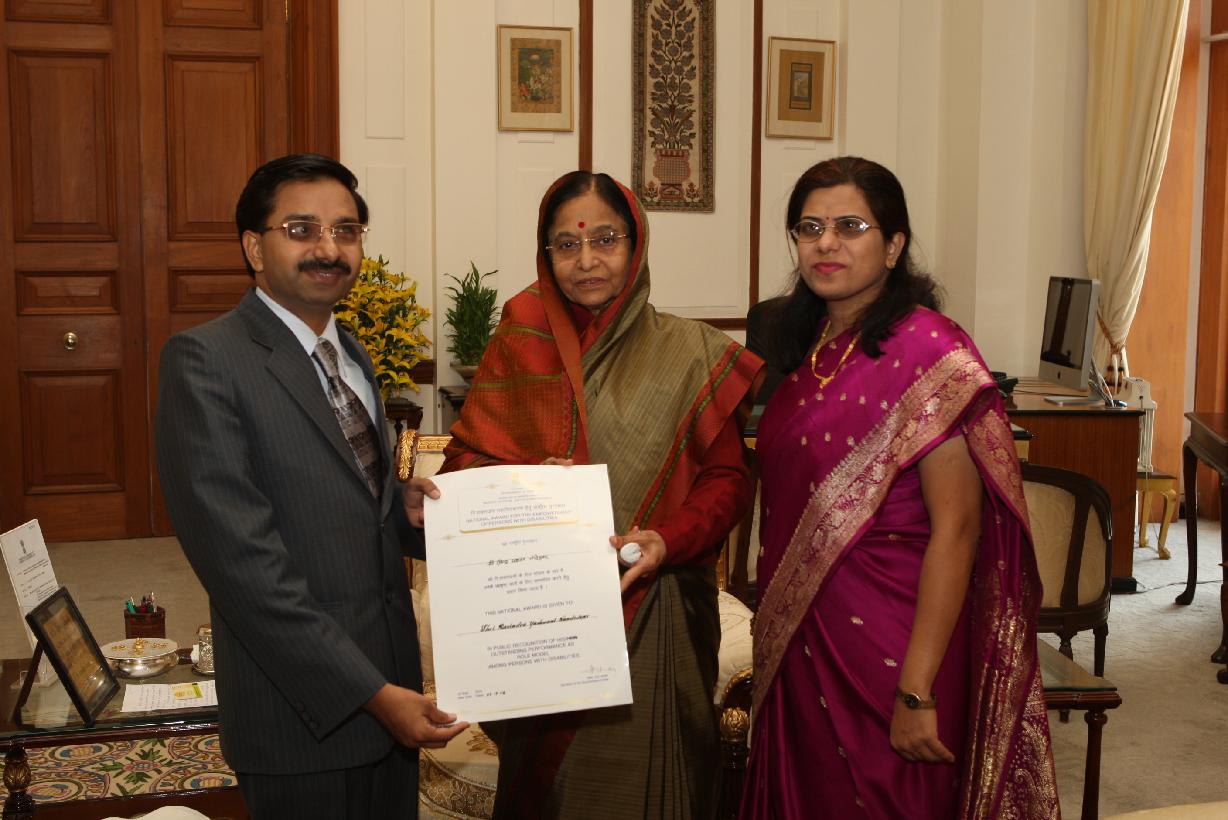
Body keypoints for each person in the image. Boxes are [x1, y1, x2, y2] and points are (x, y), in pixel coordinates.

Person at [434, 170, 763, 818]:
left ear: (635, 244)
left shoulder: (688, 352)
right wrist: (530, 484)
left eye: (605, 239)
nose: (586, 260)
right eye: (566, 244)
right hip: (540, 621)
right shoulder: (520, 343)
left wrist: (669, 540)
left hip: (659, 610)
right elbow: (464, 470)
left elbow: (728, 480)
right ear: (546, 253)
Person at [739, 156, 1059, 819]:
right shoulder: (808, 347)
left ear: (893, 245)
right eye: (809, 228)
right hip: (804, 634)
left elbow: (959, 528)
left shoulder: (927, 350)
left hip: (896, 643)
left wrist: (916, 689)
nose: (826, 243)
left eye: (850, 226)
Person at [155, 153, 466, 820]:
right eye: (301, 230)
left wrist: (404, 510)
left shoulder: (351, 353)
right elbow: (244, 569)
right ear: (253, 247)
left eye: (346, 230)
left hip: (393, 692)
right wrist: (372, 695)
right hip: (301, 716)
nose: (329, 249)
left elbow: (351, 507)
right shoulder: (206, 361)